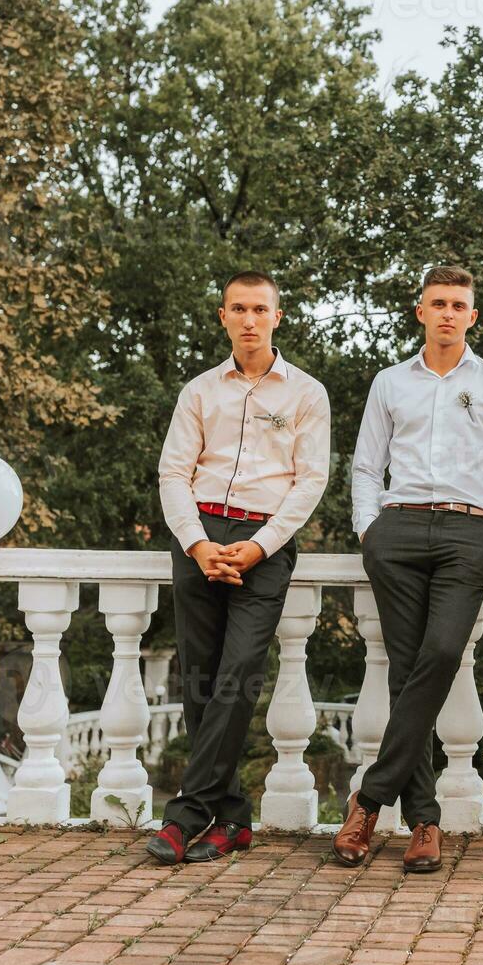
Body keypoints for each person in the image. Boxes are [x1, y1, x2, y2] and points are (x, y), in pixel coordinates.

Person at [332, 265, 483, 872]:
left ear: (473, 316)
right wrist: (369, 529)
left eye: (459, 305)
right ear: (420, 311)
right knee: (405, 669)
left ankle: (367, 800)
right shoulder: (391, 382)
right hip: (397, 530)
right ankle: (424, 821)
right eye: (437, 302)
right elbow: (366, 466)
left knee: (441, 652)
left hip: (469, 531)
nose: (448, 312)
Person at [149, 270, 331, 864]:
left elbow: (311, 482)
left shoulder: (306, 393)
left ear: (277, 316)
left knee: (238, 675)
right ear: (222, 316)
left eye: (259, 309)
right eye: (238, 309)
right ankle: (233, 821)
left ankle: (184, 815)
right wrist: (199, 546)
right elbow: (173, 472)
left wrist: (258, 547)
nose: (249, 319)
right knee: (200, 681)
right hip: (198, 534)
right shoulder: (199, 391)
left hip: (264, 541)